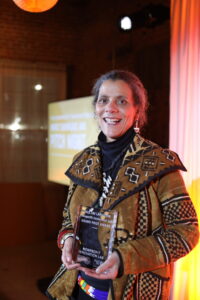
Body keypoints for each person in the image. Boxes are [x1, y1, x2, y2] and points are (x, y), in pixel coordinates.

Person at [46, 70, 199, 300]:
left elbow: (187, 232)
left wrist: (124, 258)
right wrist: (68, 239)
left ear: (137, 109)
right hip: (81, 288)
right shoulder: (82, 160)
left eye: (122, 101)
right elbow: (69, 219)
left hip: (134, 290)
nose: (110, 108)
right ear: (96, 108)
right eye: (103, 100)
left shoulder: (160, 164)